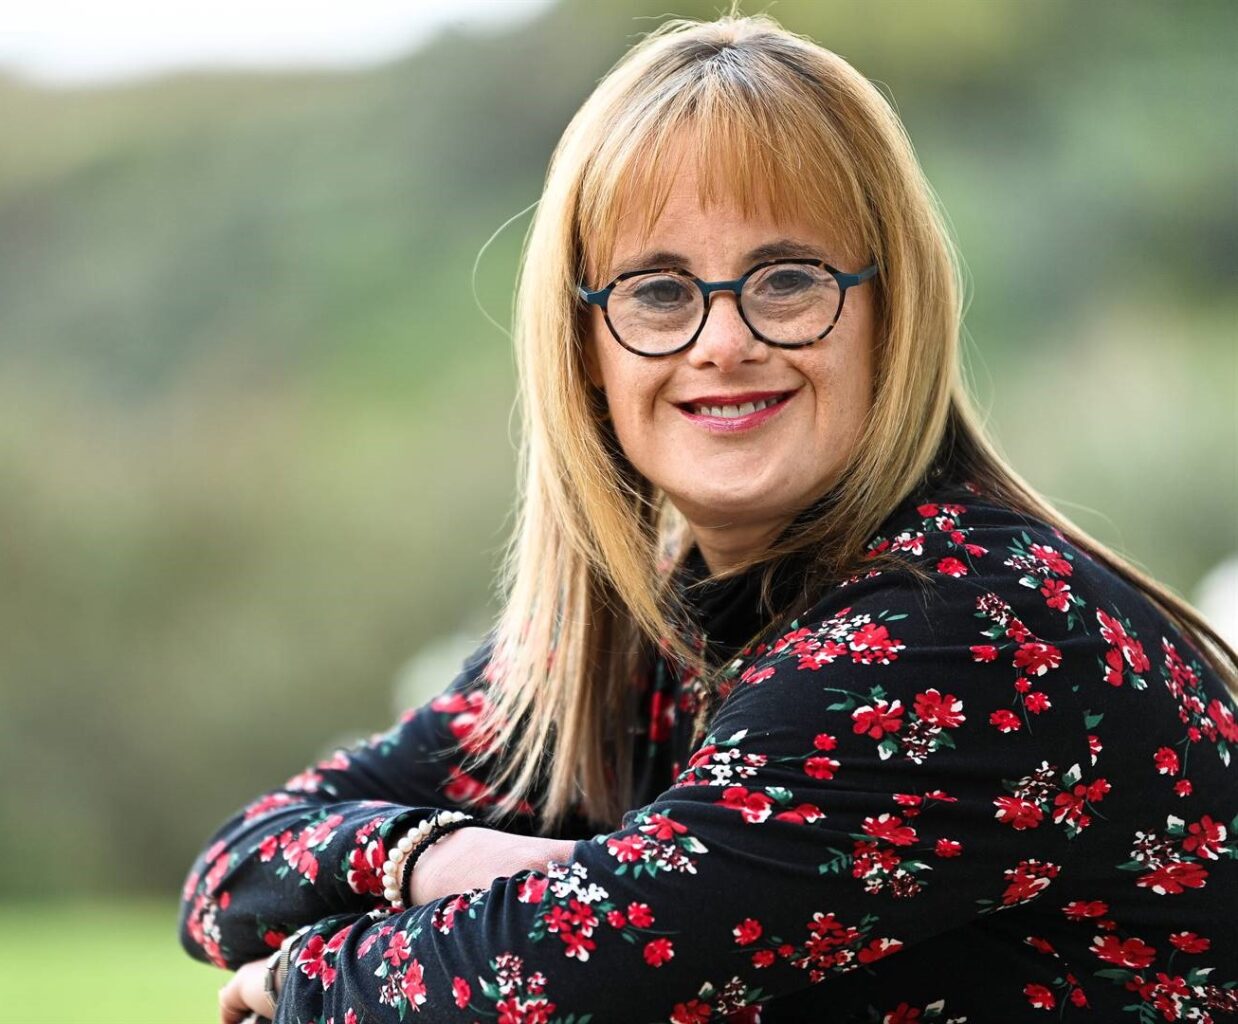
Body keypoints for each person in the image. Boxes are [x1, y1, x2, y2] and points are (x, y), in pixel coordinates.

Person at [180, 10, 1238, 1023]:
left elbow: (553, 978)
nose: (722, 342)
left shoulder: (971, 623)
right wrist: (438, 857)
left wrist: (301, 983)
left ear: (891, 314)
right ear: (584, 352)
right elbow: (233, 875)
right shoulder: (637, 634)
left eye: (787, 281)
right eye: (656, 291)